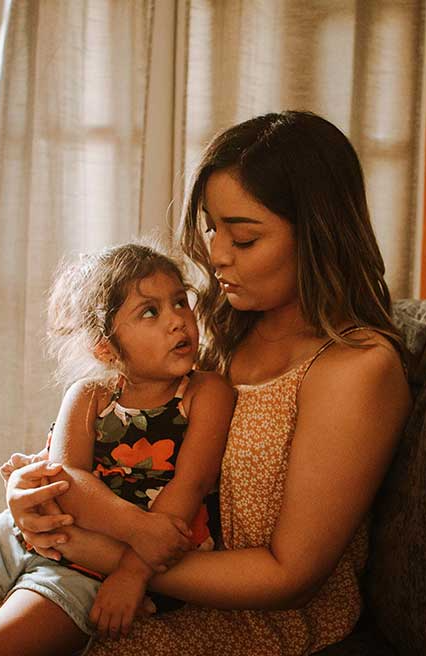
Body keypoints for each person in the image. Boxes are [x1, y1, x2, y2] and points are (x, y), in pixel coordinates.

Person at [4, 110, 411, 656]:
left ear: (317, 235)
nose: (216, 255)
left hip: (251, 620)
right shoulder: (218, 333)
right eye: (212, 228)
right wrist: (32, 495)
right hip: (124, 574)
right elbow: (113, 451)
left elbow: (288, 578)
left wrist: (105, 555)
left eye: (244, 238)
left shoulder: (356, 368)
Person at [0, 243, 235, 655]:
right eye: (150, 312)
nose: (177, 320)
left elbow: (191, 485)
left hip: (87, 569)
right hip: (19, 534)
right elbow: (67, 480)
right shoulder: (89, 395)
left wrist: (131, 573)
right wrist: (137, 528)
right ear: (104, 346)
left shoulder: (206, 393)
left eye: (179, 301)